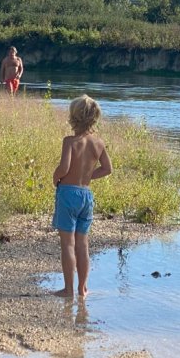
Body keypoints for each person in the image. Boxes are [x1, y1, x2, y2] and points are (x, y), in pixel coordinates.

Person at [51, 95, 112, 298]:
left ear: (73, 117)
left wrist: (55, 177)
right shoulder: (98, 143)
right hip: (86, 195)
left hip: (68, 193)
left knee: (67, 244)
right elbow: (107, 169)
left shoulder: (70, 141)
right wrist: (88, 176)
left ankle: (68, 289)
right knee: (83, 244)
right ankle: (82, 288)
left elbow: (64, 167)